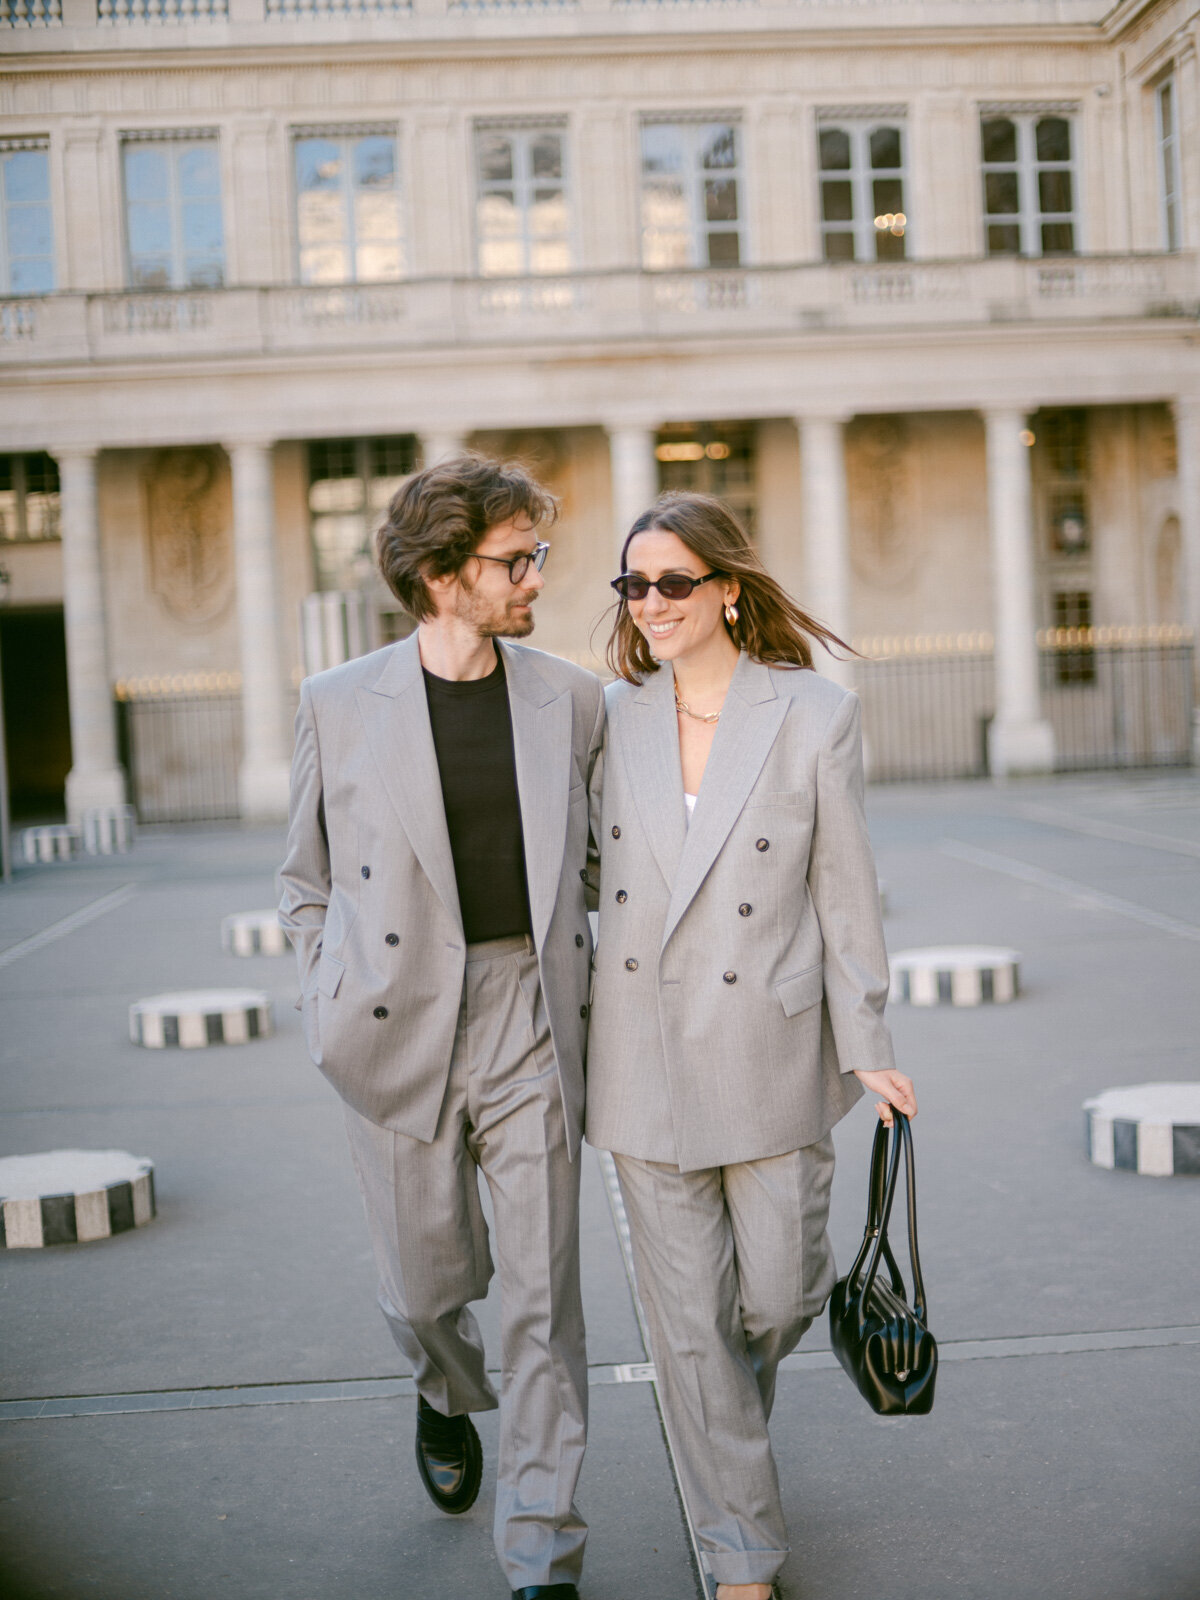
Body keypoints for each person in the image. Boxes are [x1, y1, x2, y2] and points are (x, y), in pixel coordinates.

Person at [279, 454, 604, 1600]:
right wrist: (326, 993)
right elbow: (304, 877)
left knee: (543, 1298)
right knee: (425, 1288)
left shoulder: (571, 699)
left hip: (529, 1009)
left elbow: (606, 865)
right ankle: (444, 1390)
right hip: (393, 1015)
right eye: (517, 561)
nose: (537, 579)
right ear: (441, 573)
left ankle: (542, 1547)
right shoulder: (337, 701)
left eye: (537, 557)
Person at [585, 490, 916, 1600]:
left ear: (727, 589)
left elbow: (845, 888)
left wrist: (867, 1038)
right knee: (690, 1328)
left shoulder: (813, 713)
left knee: (778, 1298)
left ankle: (722, 1436)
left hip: (771, 1050)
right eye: (635, 584)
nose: (652, 603)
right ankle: (740, 1555)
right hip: (641, 1055)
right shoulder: (609, 717)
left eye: (674, 582)